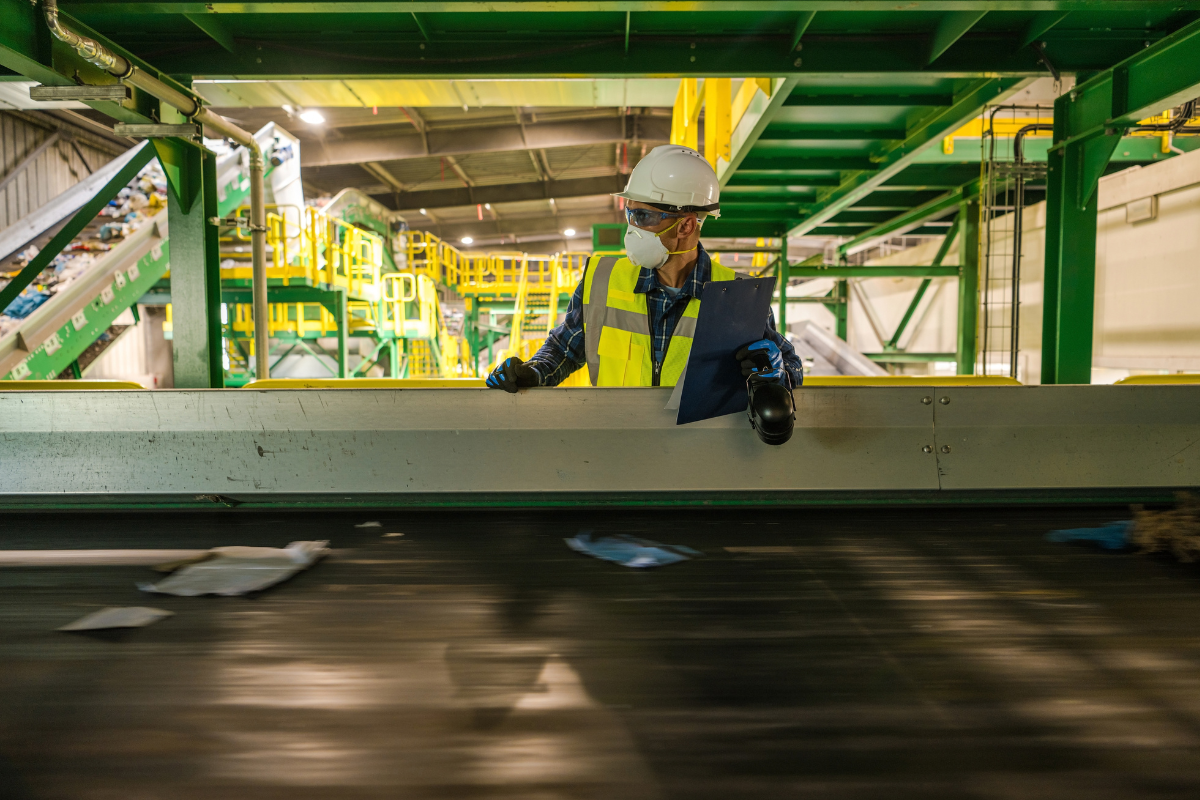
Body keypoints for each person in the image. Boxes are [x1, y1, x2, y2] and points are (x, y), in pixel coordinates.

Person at [486, 144, 802, 397]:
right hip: (619, 447)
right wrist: (533, 372)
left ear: (686, 226)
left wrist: (776, 373)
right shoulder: (601, 280)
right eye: (630, 214)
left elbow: (791, 367)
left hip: (699, 454)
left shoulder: (739, 295)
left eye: (644, 217)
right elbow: (563, 351)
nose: (632, 228)